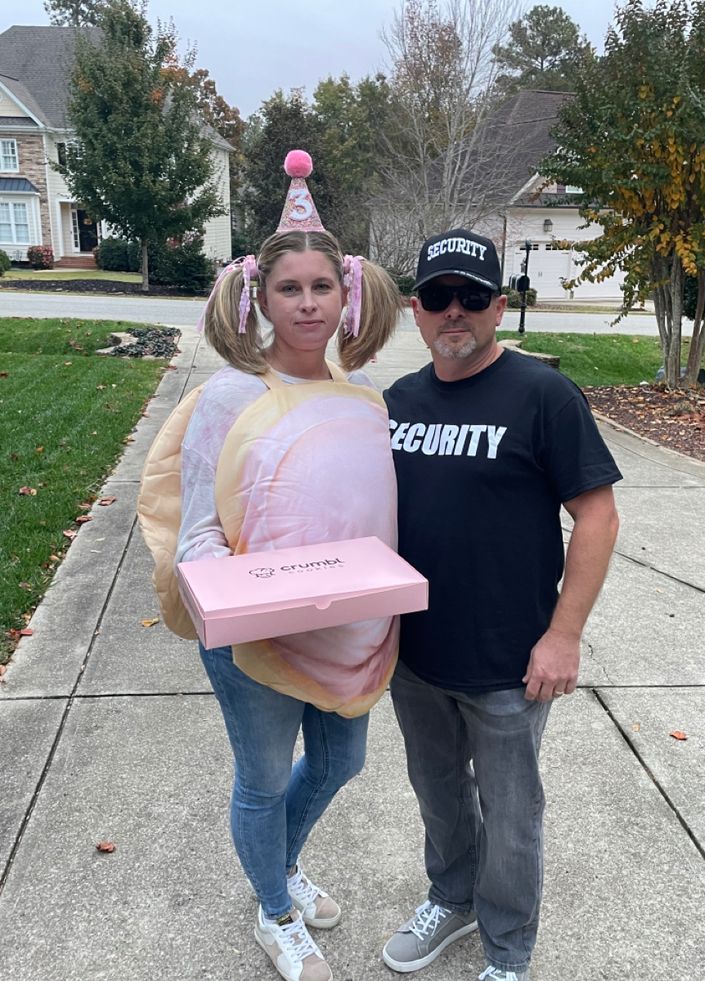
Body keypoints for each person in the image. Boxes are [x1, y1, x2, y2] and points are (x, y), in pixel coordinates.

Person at [139, 151, 402, 981]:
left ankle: (274, 870)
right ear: (258, 295)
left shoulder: (363, 396)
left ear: (347, 291)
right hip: (256, 636)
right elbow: (201, 535)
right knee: (260, 777)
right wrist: (259, 597)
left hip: (348, 626)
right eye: (290, 288)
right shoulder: (226, 397)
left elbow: (367, 508)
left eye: (322, 287)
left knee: (342, 760)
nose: (308, 303)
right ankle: (276, 909)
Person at [381, 228, 622, 981]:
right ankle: (452, 898)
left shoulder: (543, 395)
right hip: (414, 655)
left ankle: (508, 948)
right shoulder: (396, 402)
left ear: (500, 305)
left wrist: (564, 634)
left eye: (473, 296)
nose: (456, 311)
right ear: (415, 310)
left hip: (509, 660)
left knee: (512, 815)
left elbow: (598, 514)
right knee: (439, 791)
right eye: (439, 297)